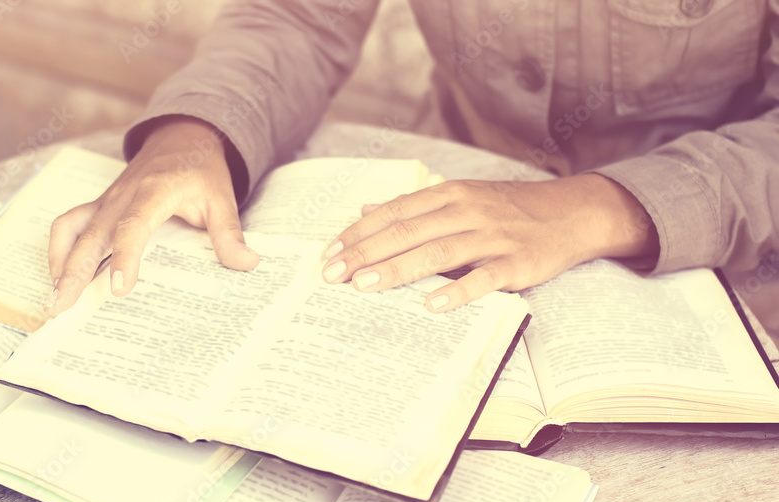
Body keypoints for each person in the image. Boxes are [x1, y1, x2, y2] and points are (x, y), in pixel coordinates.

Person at [43, 0, 779, 318]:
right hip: (440, 217)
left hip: (721, 273)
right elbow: (299, 16)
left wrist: (595, 207)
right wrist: (195, 134)